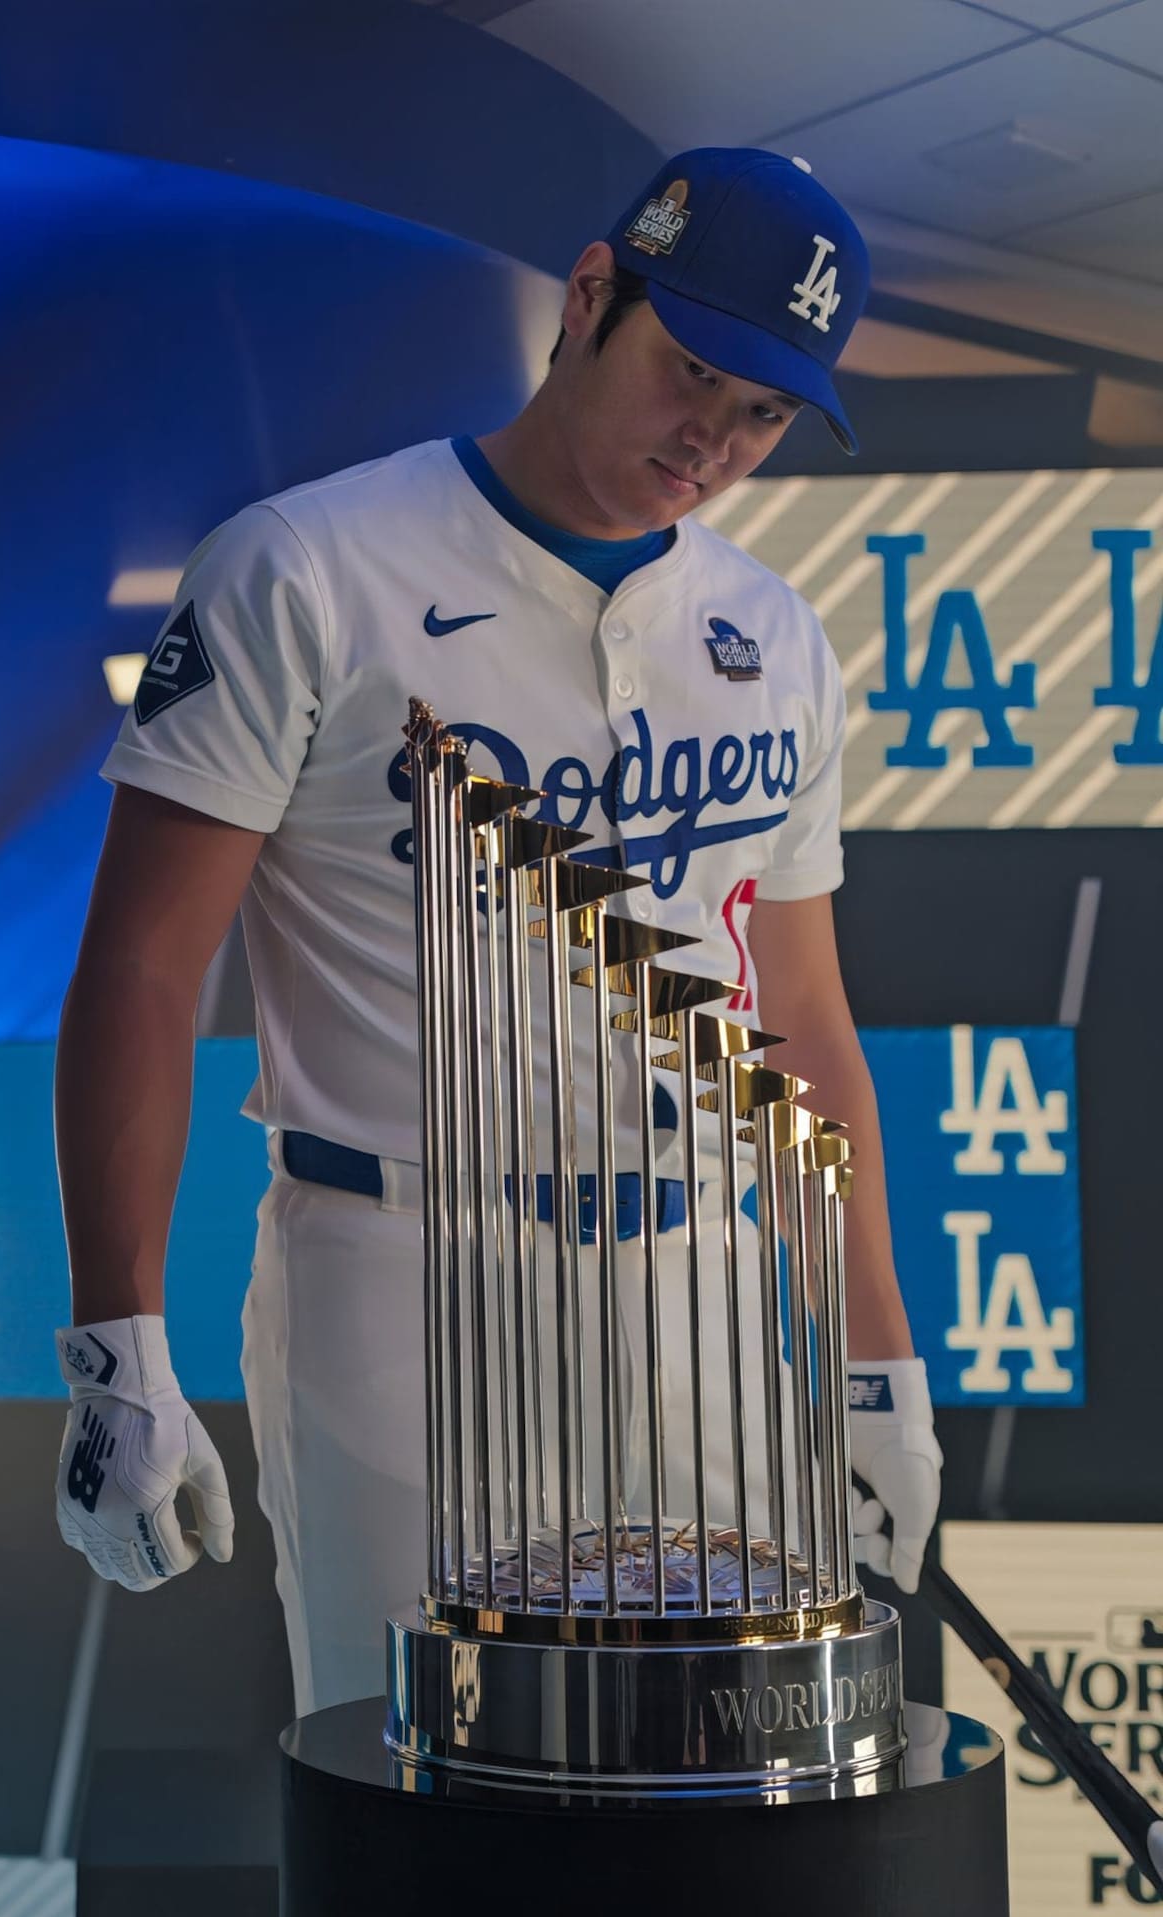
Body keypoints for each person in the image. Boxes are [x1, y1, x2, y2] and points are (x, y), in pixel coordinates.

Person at [53, 146, 941, 1719]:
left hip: (706, 1284)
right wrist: (119, 1337)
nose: (716, 440)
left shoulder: (776, 635)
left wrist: (874, 1365)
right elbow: (142, 961)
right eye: (695, 370)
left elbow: (799, 1016)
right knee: (427, 1809)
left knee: (710, 1822)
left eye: (763, 410)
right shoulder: (307, 566)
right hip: (403, 1272)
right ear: (592, 296)